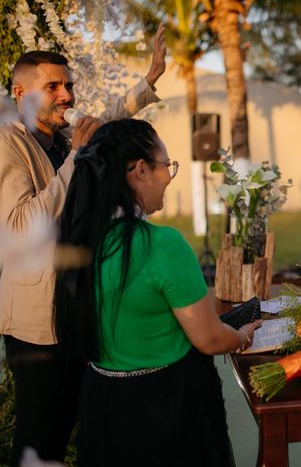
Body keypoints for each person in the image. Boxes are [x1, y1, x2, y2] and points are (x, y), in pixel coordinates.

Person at [0, 26, 167, 465]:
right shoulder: (6, 142)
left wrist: (146, 85)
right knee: (40, 441)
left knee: (79, 429)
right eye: (52, 86)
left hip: (75, 312)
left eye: (69, 85)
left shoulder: (54, 137)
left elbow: (104, 124)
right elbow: (20, 226)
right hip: (37, 327)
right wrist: (76, 157)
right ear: (20, 93)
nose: (67, 96)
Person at [54, 119, 261, 466]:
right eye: (167, 165)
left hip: (102, 402)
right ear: (139, 171)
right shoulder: (162, 245)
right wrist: (241, 336)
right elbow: (208, 339)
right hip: (164, 407)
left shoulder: (77, 242)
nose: (169, 176)